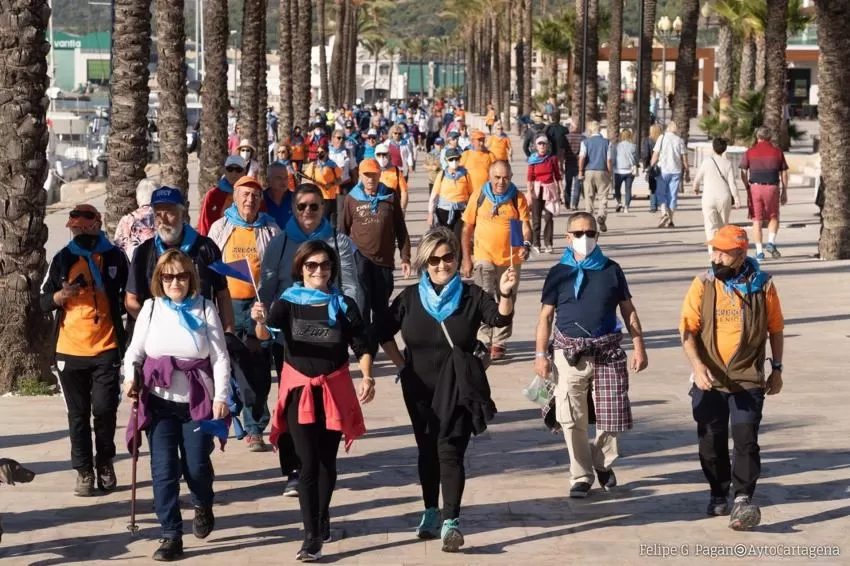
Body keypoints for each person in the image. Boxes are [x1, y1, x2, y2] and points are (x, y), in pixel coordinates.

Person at [379, 227, 517, 552]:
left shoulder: (471, 296)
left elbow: (499, 319)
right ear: (425, 263)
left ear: (457, 257)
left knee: (450, 451)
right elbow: (381, 332)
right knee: (427, 449)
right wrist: (401, 366)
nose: (442, 265)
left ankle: (451, 522)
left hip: (457, 388)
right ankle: (430, 510)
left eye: (449, 257)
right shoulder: (410, 299)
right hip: (418, 388)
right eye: (434, 259)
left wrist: (507, 293)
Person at [252, 240, 374, 562]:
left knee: (326, 463)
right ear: (301, 269)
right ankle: (311, 537)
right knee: (306, 463)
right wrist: (260, 321)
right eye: (311, 265)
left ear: (332, 269)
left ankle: (321, 516)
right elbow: (266, 335)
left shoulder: (344, 305)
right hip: (298, 395)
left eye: (324, 265)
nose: (318, 270)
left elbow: (362, 345)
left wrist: (367, 376)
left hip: (333, 392)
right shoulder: (287, 302)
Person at [122, 250, 231, 562]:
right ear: (159, 279)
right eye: (167, 276)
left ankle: (202, 502)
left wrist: (221, 396)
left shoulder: (205, 307)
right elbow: (134, 353)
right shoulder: (151, 308)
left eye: (181, 275)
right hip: (159, 404)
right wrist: (130, 378)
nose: (174, 282)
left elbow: (220, 356)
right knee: (163, 472)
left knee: (197, 466)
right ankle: (170, 534)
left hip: (196, 403)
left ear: (190, 278)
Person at [534, 212, 648, 498]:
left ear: (597, 235)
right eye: (578, 233)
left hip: (607, 352)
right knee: (571, 418)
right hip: (568, 352)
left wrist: (639, 345)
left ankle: (602, 462)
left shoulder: (612, 269)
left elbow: (628, 310)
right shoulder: (558, 273)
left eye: (590, 233)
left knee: (611, 417)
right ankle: (581, 475)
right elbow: (546, 316)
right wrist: (540, 354)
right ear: (567, 237)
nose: (585, 238)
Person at [679, 224, 784, 530]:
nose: (717, 257)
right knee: (710, 443)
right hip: (709, 379)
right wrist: (698, 368)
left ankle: (743, 498)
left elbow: (775, 329)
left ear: (740, 254)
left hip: (747, 378)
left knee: (746, 439)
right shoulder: (703, 283)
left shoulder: (764, 285)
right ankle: (717, 491)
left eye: (724, 252)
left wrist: (776, 369)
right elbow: (687, 331)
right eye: (715, 250)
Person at [39, 204, 129, 496]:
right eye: (73, 227)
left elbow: (132, 293)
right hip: (69, 350)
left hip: (106, 347)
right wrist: (60, 295)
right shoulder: (63, 259)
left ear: (96, 223)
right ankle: (83, 471)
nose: (77, 231)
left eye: (81, 226)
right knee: (78, 415)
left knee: (104, 410)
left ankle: (105, 463)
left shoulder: (115, 256)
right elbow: (42, 301)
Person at [208, 176, 281, 451]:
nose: (249, 200)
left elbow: (278, 269)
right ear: (235, 197)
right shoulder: (220, 227)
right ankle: (229, 415)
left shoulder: (271, 229)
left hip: (259, 307)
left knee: (259, 366)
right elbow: (208, 265)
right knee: (228, 364)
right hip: (227, 306)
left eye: (254, 195)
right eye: (245, 195)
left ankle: (255, 428)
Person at [126, 187, 235, 334]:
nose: (163, 219)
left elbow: (222, 294)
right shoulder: (144, 252)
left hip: (200, 334)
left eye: (169, 212)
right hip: (157, 336)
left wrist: (228, 333)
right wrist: (153, 328)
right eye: (158, 213)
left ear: (183, 213)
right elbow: (131, 300)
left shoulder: (205, 247)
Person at [461, 161, 531, 361]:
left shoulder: (517, 198)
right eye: (497, 177)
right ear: (490, 176)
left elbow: (525, 226)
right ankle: (484, 338)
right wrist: (466, 259)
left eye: (505, 177)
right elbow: (467, 229)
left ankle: (500, 341)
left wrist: (526, 243)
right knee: (484, 297)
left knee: (507, 297)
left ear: (510, 176)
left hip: (510, 258)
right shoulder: (479, 195)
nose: (501, 182)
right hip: (484, 256)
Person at [341, 159, 412, 345]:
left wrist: (405, 257)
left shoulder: (389, 196)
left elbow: (400, 228)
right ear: (360, 176)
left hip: (384, 263)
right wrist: (339, 262)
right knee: (362, 305)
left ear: (380, 174)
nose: (370, 179)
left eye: (374, 174)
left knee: (381, 310)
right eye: (366, 175)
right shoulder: (351, 198)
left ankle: (378, 340)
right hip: (360, 260)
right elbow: (342, 232)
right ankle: (365, 349)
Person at [739, 126, 789, 261]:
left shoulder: (749, 152)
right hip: (772, 188)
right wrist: (785, 191)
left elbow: (743, 172)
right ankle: (771, 242)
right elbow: (784, 172)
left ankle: (759, 252)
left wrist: (747, 187)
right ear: (770, 137)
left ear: (757, 137)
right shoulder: (778, 152)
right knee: (773, 216)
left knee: (757, 220)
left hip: (755, 188)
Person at [693, 138, 741, 248]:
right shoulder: (727, 163)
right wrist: (736, 198)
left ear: (713, 148)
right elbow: (732, 183)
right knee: (723, 227)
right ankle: (722, 249)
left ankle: (712, 253)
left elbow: (697, 179)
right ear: (725, 149)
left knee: (710, 227)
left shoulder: (706, 162)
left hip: (708, 198)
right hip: (724, 197)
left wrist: (696, 188)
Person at [428, 148, 473, 245]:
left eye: (456, 159)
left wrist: (470, 211)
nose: (454, 161)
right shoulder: (442, 174)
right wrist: (430, 213)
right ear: (446, 160)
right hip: (443, 211)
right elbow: (434, 195)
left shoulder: (465, 174)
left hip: (460, 212)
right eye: (451, 159)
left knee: (458, 239)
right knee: (445, 240)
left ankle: (458, 259)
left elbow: (471, 195)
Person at [526, 135, 562, 254]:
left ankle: (548, 243)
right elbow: (530, 178)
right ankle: (536, 243)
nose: (542, 146)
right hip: (537, 191)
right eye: (540, 144)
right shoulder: (532, 159)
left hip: (550, 190)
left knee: (548, 218)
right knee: (536, 219)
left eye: (544, 144)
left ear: (547, 146)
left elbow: (557, 175)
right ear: (536, 146)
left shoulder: (552, 159)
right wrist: (529, 194)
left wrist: (560, 190)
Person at [650, 121, 689, 229]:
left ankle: (663, 213)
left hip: (663, 170)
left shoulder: (661, 138)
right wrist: (687, 171)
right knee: (672, 195)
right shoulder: (679, 140)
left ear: (667, 128)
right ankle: (670, 220)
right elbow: (684, 158)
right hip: (676, 171)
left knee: (661, 193)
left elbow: (656, 154)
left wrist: (651, 166)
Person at [197, 155, 248, 236]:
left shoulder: (252, 193)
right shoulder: (213, 195)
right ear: (224, 171)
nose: (233, 173)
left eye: (238, 170)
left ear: (245, 171)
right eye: (230, 169)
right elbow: (204, 223)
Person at [578, 121, 613, 233]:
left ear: (590, 130)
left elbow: (582, 157)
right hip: (602, 170)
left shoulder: (585, 142)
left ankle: (589, 219)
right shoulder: (607, 142)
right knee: (603, 197)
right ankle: (601, 215)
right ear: (599, 129)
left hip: (589, 171)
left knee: (589, 196)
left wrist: (580, 171)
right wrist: (610, 173)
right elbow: (609, 160)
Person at [113, 178, 158, 261]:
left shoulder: (126, 220)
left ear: (138, 196)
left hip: (134, 268)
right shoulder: (163, 216)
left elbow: (118, 247)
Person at [302, 143, 343, 222]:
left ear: (327, 153)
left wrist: (331, 184)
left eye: (322, 152)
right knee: (320, 220)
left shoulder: (332, 165)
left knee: (332, 222)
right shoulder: (313, 165)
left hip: (330, 198)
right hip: (318, 197)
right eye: (318, 152)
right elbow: (307, 180)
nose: (319, 154)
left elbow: (340, 180)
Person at [375, 142, 410, 213]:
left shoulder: (396, 171)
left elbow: (404, 191)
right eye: (379, 154)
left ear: (389, 155)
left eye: (384, 154)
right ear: (375, 155)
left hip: (392, 209)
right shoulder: (371, 170)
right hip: (375, 208)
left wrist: (403, 209)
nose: (382, 157)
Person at [612, 129, 639, 214]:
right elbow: (636, 159)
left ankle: (619, 202)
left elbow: (613, 158)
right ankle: (626, 207)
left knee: (617, 188)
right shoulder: (633, 146)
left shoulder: (616, 146)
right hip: (629, 171)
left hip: (618, 170)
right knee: (628, 189)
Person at [264, 161, 295, 229]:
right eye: (278, 178)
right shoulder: (260, 200)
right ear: (268, 180)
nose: (283, 181)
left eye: (286, 178)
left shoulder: (295, 199)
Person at [563, 120, 584, 210]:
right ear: (578, 128)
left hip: (568, 162)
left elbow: (563, 150)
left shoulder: (566, 137)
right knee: (577, 185)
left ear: (571, 128)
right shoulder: (583, 138)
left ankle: (567, 202)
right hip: (579, 163)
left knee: (568, 184)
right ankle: (575, 204)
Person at [641, 124, 662, 213]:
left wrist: (645, 166)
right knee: (660, 185)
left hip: (652, 165)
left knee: (653, 186)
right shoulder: (662, 140)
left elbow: (645, 155)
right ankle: (660, 203)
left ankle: (653, 206)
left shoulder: (647, 140)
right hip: (662, 165)